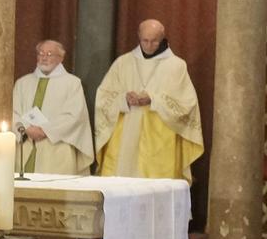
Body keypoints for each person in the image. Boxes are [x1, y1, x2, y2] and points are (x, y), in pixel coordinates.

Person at [94, 19, 204, 181]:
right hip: (125, 136)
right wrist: (124, 98)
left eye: (154, 41)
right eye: (145, 40)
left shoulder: (176, 65)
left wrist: (153, 99)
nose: (149, 45)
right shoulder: (123, 62)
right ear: (139, 37)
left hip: (160, 139)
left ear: (163, 38)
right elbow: (103, 96)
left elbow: (186, 103)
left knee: (155, 186)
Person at [12, 40, 93, 175]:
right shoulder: (22, 83)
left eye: (49, 54)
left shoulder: (72, 83)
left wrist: (45, 131)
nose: (44, 58)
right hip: (25, 145)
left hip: (58, 149)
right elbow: (13, 111)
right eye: (41, 53)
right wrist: (26, 128)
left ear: (61, 58)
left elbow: (74, 116)